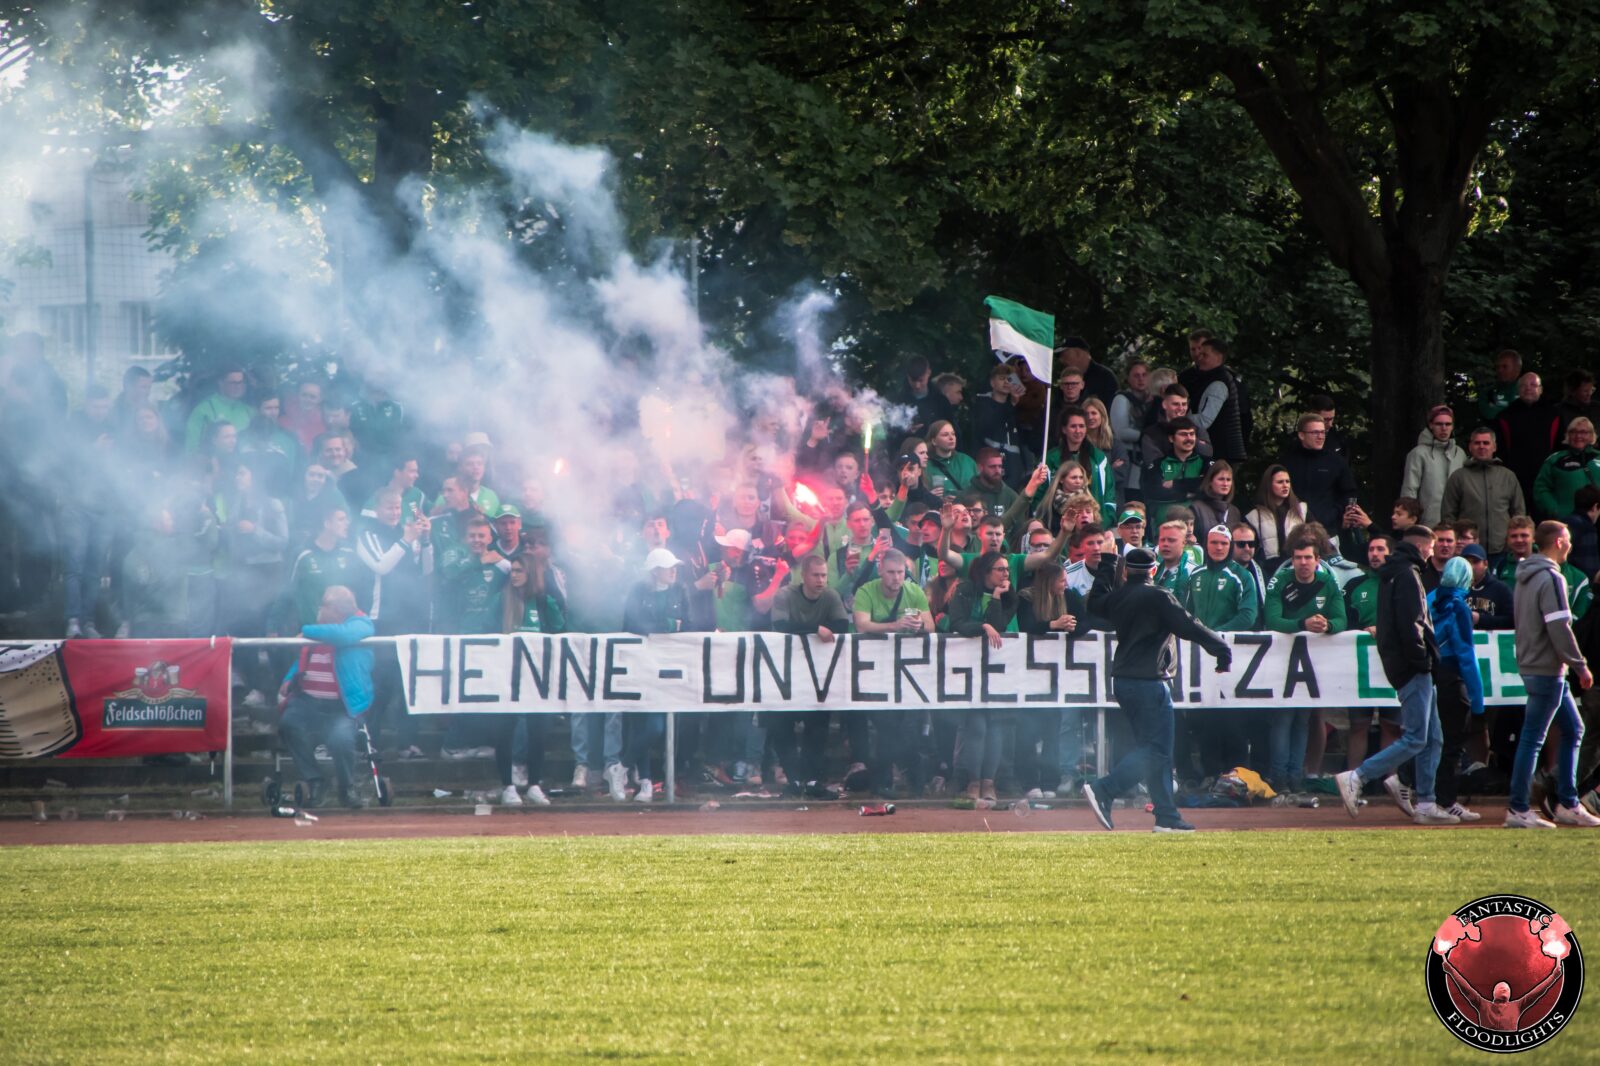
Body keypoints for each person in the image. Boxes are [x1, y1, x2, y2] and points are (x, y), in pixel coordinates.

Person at [1080, 547, 1232, 832]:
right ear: (1153, 570)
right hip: (1149, 682)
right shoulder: (1159, 596)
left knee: (1153, 749)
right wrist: (1220, 648)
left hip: (1124, 681)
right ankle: (1105, 789)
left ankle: (1167, 816)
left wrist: (1108, 563)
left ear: (1126, 572)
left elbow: (1096, 602)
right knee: (1158, 750)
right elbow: (1190, 625)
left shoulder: (1118, 597)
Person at [1335, 525, 1459, 825]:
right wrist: (1422, 660)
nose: (1432, 553)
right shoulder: (1407, 575)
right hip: (1413, 666)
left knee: (1433, 737)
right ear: (1421, 547)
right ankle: (1358, 776)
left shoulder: (1395, 573)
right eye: (1430, 548)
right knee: (1418, 737)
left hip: (1409, 665)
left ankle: (1427, 803)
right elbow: (1412, 622)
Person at [1505, 521, 1599, 828]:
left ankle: (1567, 802)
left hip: (1533, 665)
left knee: (1573, 729)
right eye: (1568, 540)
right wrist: (1580, 664)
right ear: (1559, 542)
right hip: (1547, 668)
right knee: (1534, 738)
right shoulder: (1551, 578)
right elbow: (1559, 626)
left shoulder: (1523, 577)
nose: (1571, 545)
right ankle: (1520, 808)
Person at [276, 585, 374, 809]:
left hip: (342, 706)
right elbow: (304, 658)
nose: (319, 608)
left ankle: (346, 787)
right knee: (289, 724)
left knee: (340, 739)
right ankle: (315, 781)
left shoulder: (361, 623)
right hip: (308, 701)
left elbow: (343, 635)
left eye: (323, 605)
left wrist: (306, 630)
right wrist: (290, 678)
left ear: (336, 609)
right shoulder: (322, 628)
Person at [1263, 537, 1348, 791]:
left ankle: (1295, 776)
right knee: (1283, 717)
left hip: (1314, 663)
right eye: (1298, 557)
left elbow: (1341, 619)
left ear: (1317, 560)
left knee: (1302, 719)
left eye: (1308, 557)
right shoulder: (1280, 581)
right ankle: (1279, 776)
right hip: (1282, 660)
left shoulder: (1328, 582)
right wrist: (1302, 624)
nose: (1303, 563)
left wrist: (1327, 626)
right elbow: (1273, 620)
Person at [852, 549, 936, 797]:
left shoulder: (914, 592)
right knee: (884, 727)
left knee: (906, 729)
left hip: (908, 673)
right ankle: (884, 782)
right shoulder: (867, 591)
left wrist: (919, 625)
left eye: (900, 572)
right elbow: (861, 624)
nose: (896, 578)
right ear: (881, 571)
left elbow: (931, 626)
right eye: (891, 572)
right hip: (874, 672)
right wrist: (895, 626)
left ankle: (912, 780)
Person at [769, 554, 852, 798]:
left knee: (818, 728)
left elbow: (841, 626)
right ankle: (794, 780)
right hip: (786, 674)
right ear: (804, 576)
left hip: (818, 676)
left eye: (824, 575)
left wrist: (811, 631)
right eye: (815, 575)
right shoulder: (785, 594)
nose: (820, 580)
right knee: (781, 726)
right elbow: (781, 626)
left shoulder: (830, 596)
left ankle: (813, 780)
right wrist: (816, 629)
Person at [944, 551, 1020, 808]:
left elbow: (998, 625)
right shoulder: (965, 589)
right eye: (1000, 569)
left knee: (996, 727)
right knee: (976, 727)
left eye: (1007, 569)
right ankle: (972, 782)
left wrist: (997, 599)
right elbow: (958, 623)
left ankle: (989, 782)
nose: (1005, 574)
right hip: (966, 669)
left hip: (996, 669)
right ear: (986, 572)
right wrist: (983, 627)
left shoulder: (1010, 596)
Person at [617, 548, 692, 803]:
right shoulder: (638, 591)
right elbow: (634, 624)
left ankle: (621, 768)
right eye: (668, 567)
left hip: (669, 667)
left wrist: (666, 627)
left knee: (655, 726)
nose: (673, 571)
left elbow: (688, 622)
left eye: (674, 566)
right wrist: (668, 625)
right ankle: (645, 782)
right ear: (655, 571)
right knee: (642, 724)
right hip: (640, 664)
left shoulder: (680, 590)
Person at [1429, 557, 1485, 822]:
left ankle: (1411, 784)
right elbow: (1466, 655)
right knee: (1453, 742)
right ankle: (1446, 800)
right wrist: (1478, 699)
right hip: (1452, 678)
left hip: (1429, 673)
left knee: (1432, 738)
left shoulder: (1430, 598)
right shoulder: (1459, 607)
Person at [1440, 427, 1527, 556]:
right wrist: (1457, 542)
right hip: (1468, 550)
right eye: (1477, 443)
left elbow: (1519, 513)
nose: (1481, 446)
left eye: (1486, 443)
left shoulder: (1508, 476)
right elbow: (1448, 515)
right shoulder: (1458, 477)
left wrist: (1513, 540)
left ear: (1494, 447)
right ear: (1470, 446)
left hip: (1502, 549)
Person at [1276, 412, 1358, 536]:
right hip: (1294, 530)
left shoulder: (1336, 462)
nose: (1320, 437)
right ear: (1301, 435)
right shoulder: (1287, 462)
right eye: (1315, 432)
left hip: (1329, 530)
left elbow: (1350, 493)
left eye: (1323, 432)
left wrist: (1336, 514)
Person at [1178, 336, 1249, 462]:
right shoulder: (1211, 378)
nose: (1199, 358)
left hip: (1221, 452)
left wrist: (1179, 418)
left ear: (1218, 357)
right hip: (1221, 450)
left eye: (1205, 355)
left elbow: (1204, 420)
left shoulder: (1218, 384)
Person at [1495, 372, 1562, 502]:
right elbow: (1500, 449)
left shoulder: (1554, 414)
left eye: (1533, 385)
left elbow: (1560, 447)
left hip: (1547, 479)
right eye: (1524, 385)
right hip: (1515, 479)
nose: (1528, 388)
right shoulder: (1506, 416)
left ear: (1540, 389)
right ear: (1518, 390)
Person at [1400, 405, 1466, 526]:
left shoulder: (1460, 454)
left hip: (1455, 523)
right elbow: (1409, 490)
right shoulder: (1418, 453)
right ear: (1431, 425)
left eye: (1448, 424)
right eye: (1439, 424)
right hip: (1427, 522)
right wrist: (1410, 520)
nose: (1444, 428)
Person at [1142, 417, 1208, 528]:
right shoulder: (1158, 464)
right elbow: (1153, 492)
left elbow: (1208, 487)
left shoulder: (1207, 462)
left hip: (1198, 524)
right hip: (1165, 524)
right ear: (1171, 438)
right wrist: (1188, 493)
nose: (1189, 438)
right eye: (1183, 434)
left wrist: (1176, 484)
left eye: (1192, 434)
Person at [1532, 417, 1600, 520]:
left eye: (1583, 432)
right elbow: (1541, 488)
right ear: (1568, 435)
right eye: (1573, 432)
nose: (1578, 436)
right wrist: (1554, 511)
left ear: (1591, 435)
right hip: (1567, 521)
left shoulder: (1598, 457)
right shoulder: (1554, 460)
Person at [1244, 464, 1307, 576]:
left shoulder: (1302, 509)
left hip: (1297, 569)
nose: (1285, 485)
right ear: (1269, 485)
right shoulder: (1254, 515)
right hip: (1267, 572)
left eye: (1287, 481)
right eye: (1280, 482)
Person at [1109, 360, 1154, 501]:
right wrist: (1149, 436)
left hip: (1148, 457)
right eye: (1136, 375)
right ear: (1128, 378)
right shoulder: (1122, 399)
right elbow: (1121, 432)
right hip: (1131, 457)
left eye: (1144, 375)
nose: (1141, 379)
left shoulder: (1152, 400)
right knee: (1132, 498)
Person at [183, 365, 253, 454]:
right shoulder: (203, 410)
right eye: (233, 383)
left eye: (241, 383)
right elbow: (192, 448)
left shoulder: (249, 411)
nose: (238, 386)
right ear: (221, 383)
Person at [1459, 543, 1514, 631]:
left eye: (1476, 562)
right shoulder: (1455, 589)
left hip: (1490, 642)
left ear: (1485, 564)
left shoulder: (1501, 589)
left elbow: (1511, 621)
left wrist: (1480, 619)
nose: (1471, 567)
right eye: (1467, 562)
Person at [923, 420, 977, 496]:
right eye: (945, 435)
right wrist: (929, 497)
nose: (951, 438)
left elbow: (980, 491)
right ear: (934, 441)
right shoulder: (926, 465)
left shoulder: (967, 461)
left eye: (953, 434)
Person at [1187, 462, 1240, 538]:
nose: (1225, 484)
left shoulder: (1234, 512)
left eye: (1228, 480)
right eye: (1221, 479)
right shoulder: (1196, 508)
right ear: (1210, 482)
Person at [1475, 348, 1523, 422]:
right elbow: (1489, 415)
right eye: (1497, 367)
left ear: (1517, 368)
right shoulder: (1488, 392)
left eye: (1505, 366)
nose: (1500, 370)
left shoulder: (1528, 391)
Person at [1567, 485, 1600, 580]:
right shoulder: (1587, 529)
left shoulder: (1562, 523)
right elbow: (1590, 569)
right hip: (1579, 584)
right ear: (1595, 507)